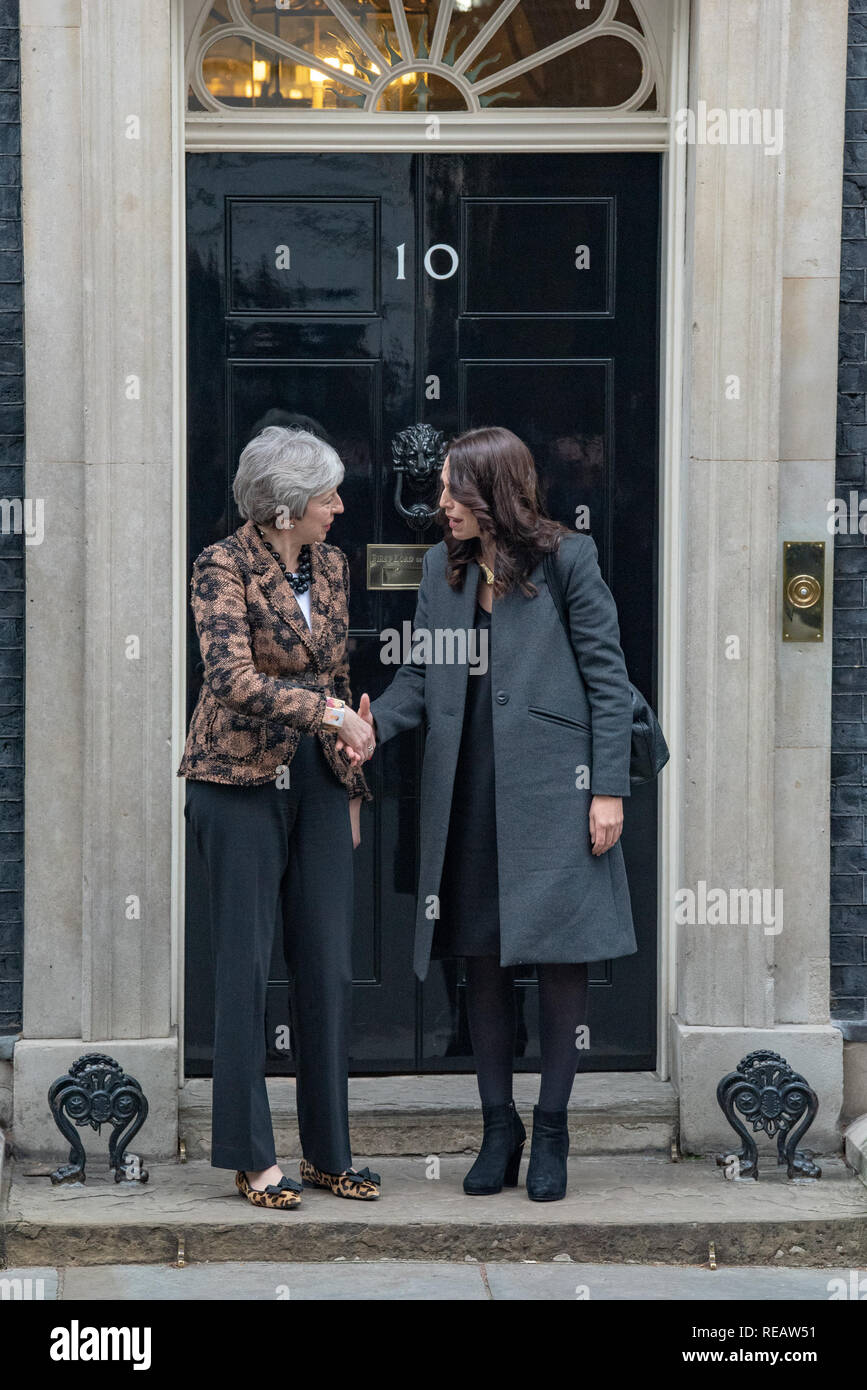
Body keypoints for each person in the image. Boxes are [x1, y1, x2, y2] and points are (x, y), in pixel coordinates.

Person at [343, 425, 637, 1202]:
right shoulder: (443, 574)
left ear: (492, 493)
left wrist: (607, 789)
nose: (440, 505)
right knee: (478, 960)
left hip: (555, 793)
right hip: (466, 793)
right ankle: (497, 1128)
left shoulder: (568, 560)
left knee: (561, 959)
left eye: (452, 490)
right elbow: (416, 676)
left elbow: (608, 681)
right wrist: (371, 728)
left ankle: (552, 1131)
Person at [178, 425, 380, 1210]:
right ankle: (252, 1157)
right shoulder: (220, 564)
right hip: (235, 783)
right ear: (288, 504)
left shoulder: (330, 564)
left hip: (321, 786)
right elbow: (229, 675)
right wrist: (328, 712)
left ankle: (330, 1154)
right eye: (327, 495)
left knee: (327, 966)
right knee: (243, 966)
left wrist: (350, 770)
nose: (338, 507)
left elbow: (335, 668)